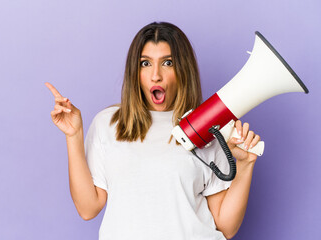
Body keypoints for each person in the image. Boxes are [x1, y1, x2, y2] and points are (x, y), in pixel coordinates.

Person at [45, 22, 261, 240]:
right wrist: (73, 136)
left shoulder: (205, 127)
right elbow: (87, 208)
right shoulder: (108, 124)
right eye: (145, 63)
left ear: (183, 69)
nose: (155, 75)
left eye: (168, 63)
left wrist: (244, 165)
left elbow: (225, 227)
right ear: (134, 71)